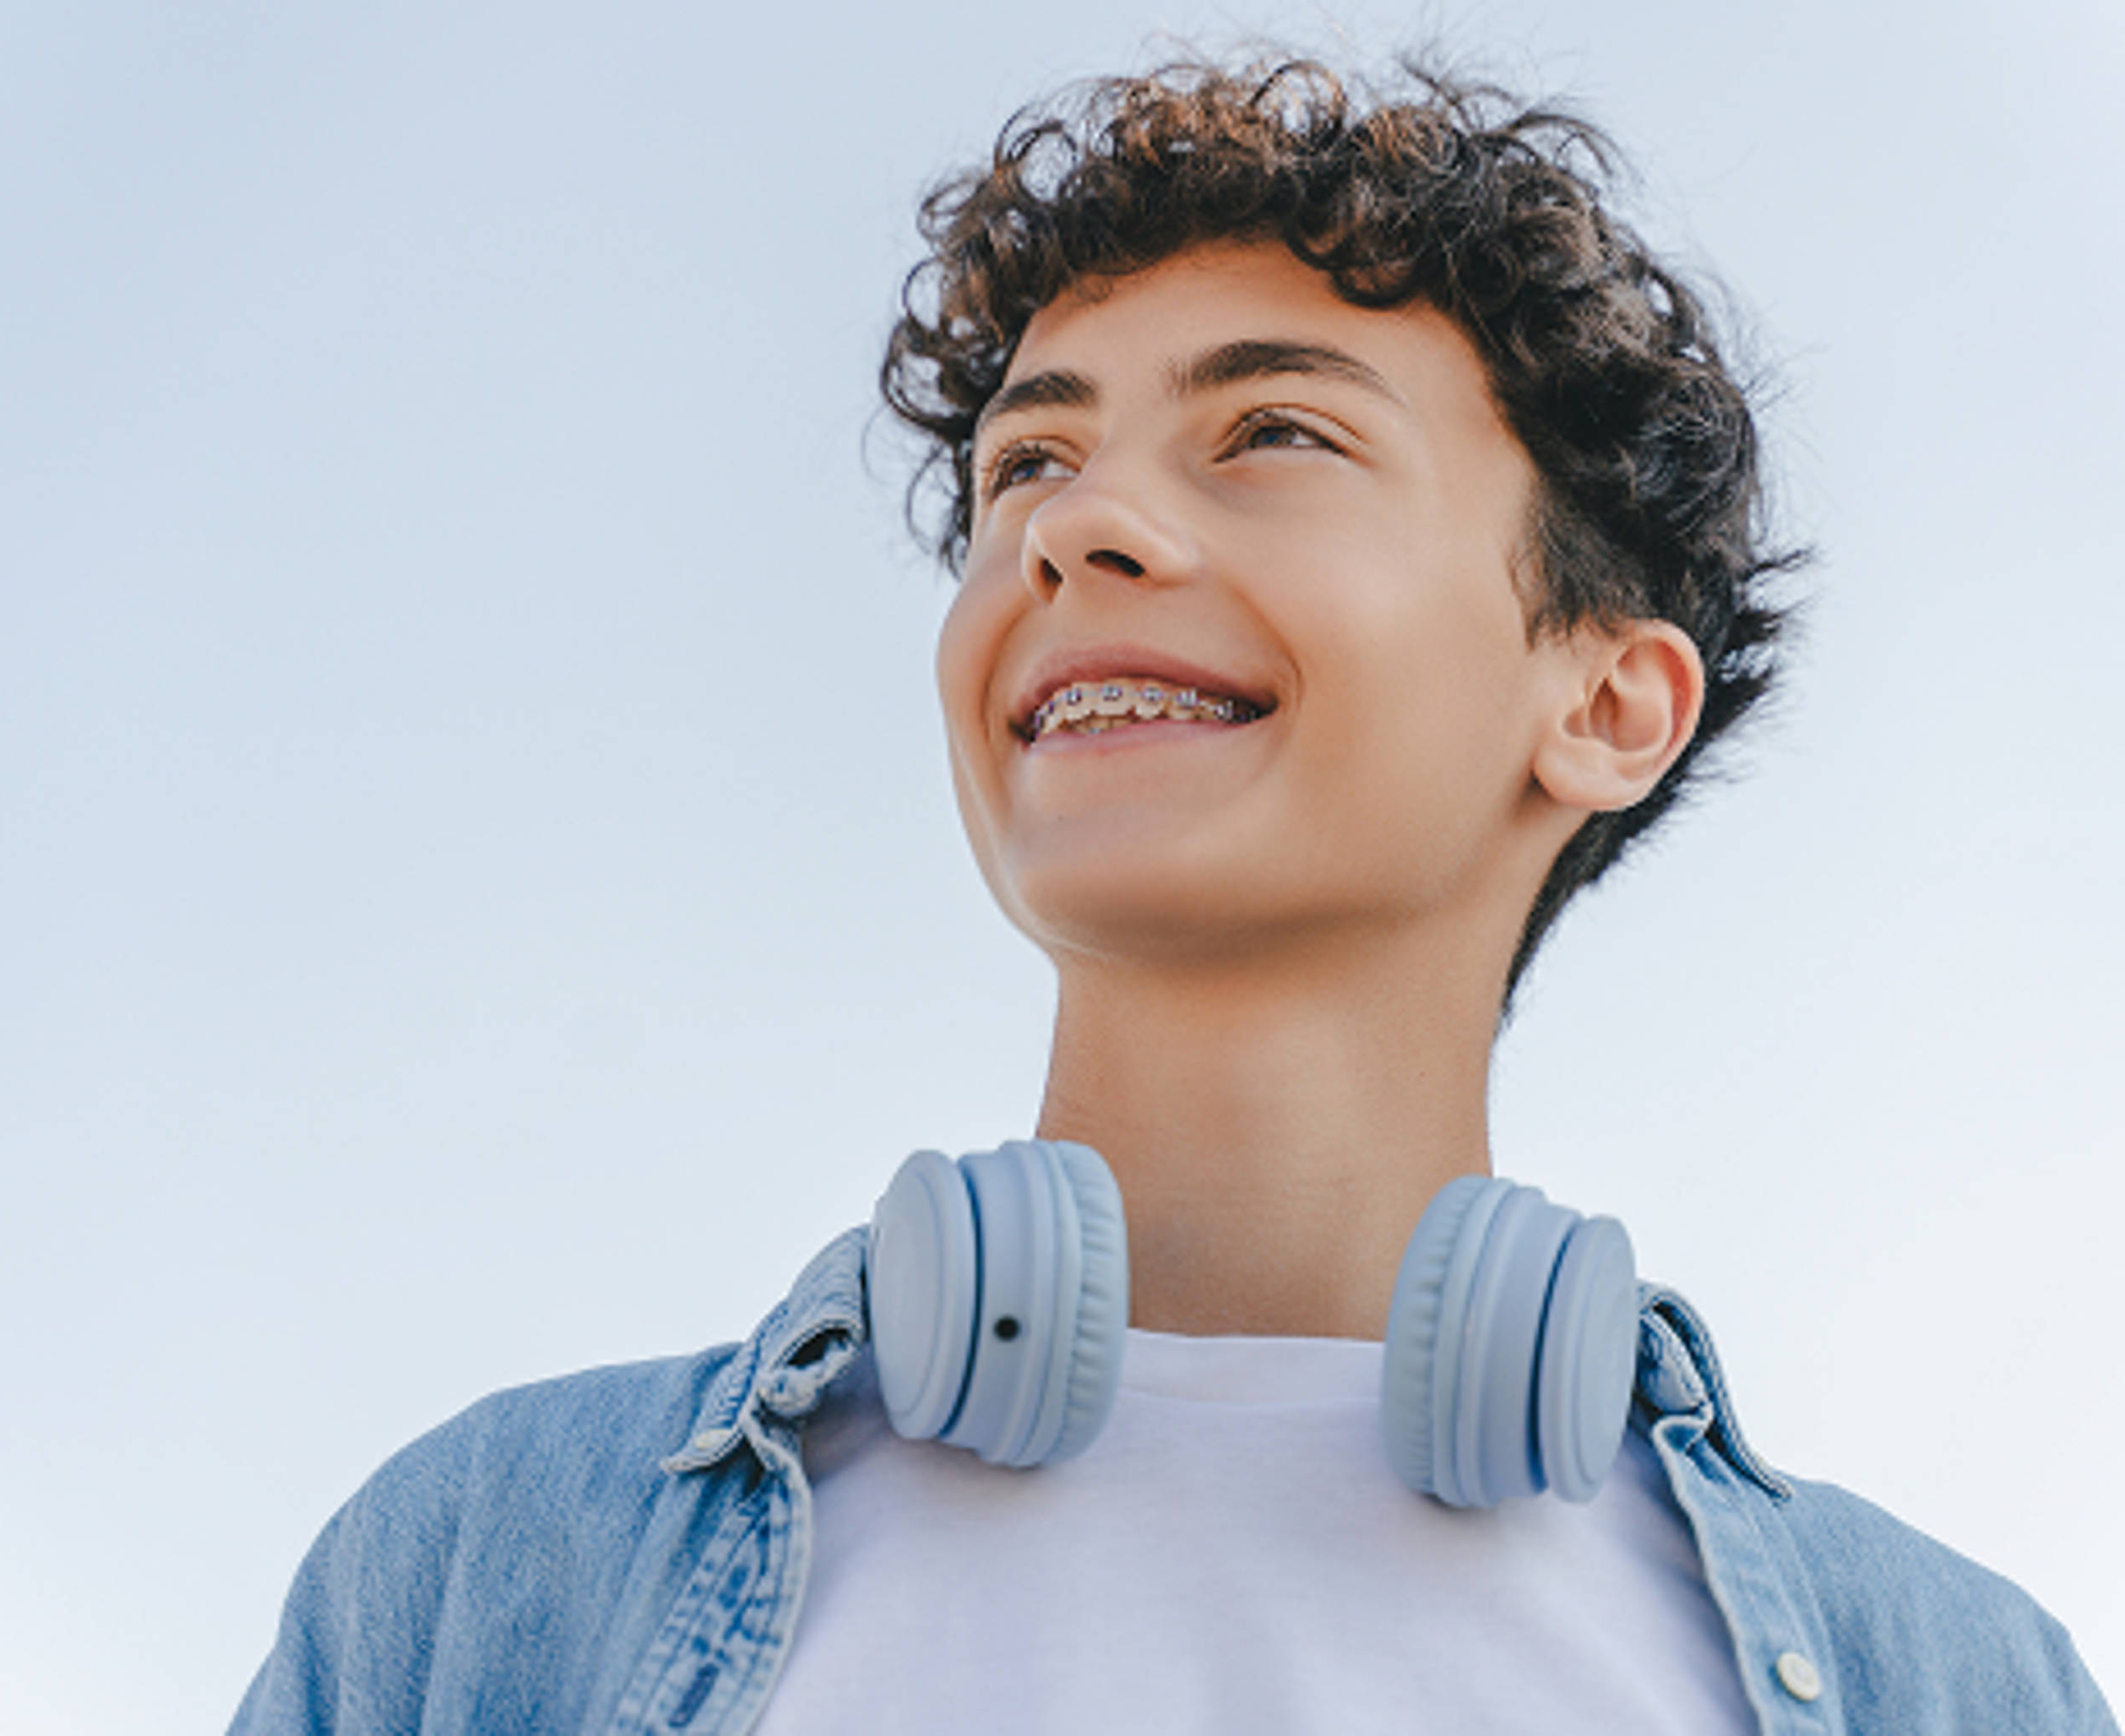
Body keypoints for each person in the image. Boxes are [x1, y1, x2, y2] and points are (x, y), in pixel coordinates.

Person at [230, 53, 2117, 1735]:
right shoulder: (485, 1562)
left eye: (1271, 431)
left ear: (1604, 702)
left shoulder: (1947, 1677)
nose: (1068, 523)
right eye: (1027, 462)